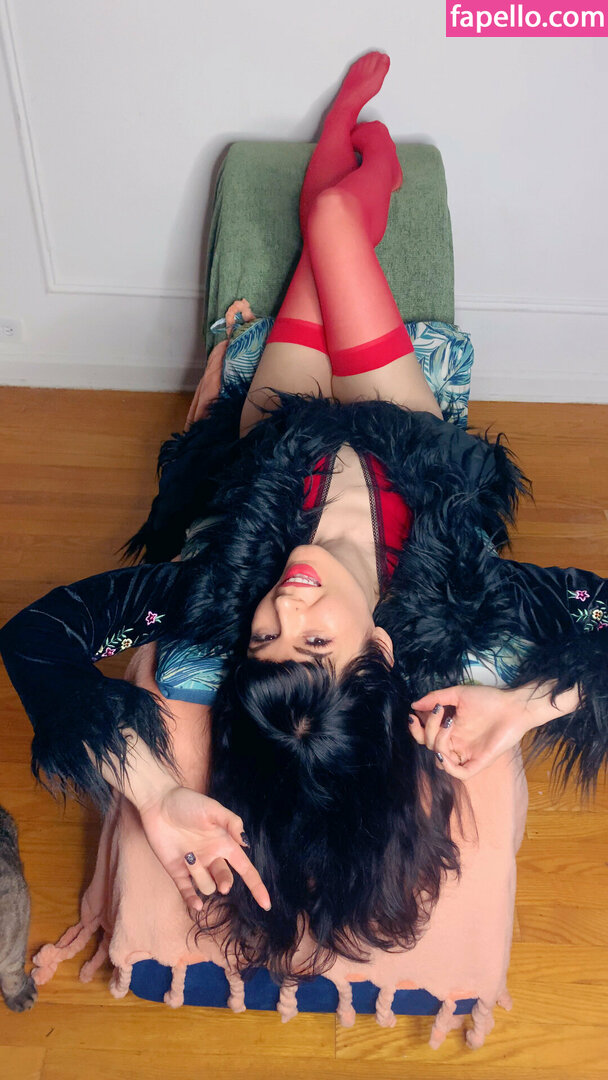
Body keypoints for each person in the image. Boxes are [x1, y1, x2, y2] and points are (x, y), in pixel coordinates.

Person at [1, 53, 607, 980]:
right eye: (317, 642)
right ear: (383, 651)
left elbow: (36, 639)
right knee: (329, 223)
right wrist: (528, 704)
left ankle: (339, 149)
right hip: (405, 444)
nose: (286, 606)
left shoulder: (206, 597)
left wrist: (155, 791)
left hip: (276, 450)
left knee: (321, 251)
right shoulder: (468, 610)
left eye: (265, 642)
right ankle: (364, 169)